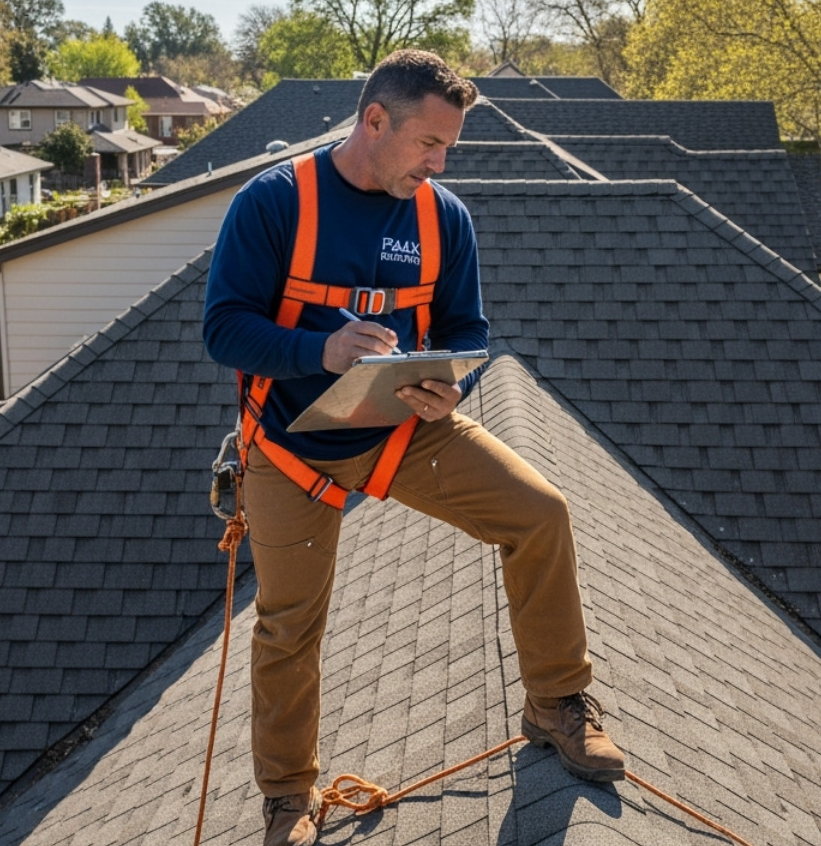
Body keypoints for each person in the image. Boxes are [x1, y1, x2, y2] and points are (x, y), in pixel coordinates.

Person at [203, 50, 624, 846]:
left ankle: (556, 705)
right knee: (289, 623)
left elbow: (466, 330)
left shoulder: (442, 217)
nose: (438, 164)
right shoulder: (277, 204)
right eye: (429, 144)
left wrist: (451, 385)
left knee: (541, 514)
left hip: (403, 428)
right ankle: (289, 799)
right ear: (374, 121)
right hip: (292, 447)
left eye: (448, 150)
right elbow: (223, 327)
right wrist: (320, 353)